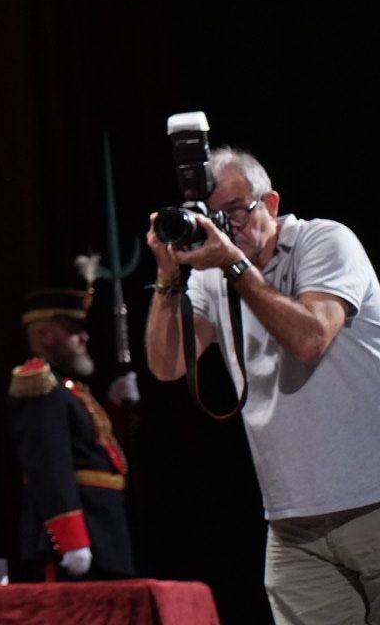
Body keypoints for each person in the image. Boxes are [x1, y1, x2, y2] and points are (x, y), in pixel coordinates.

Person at [146, 147, 380, 624]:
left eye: (235, 211)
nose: (226, 227)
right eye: (214, 216)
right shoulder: (214, 279)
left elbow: (310, 337)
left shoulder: (325, 242)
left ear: (270, 204)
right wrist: (168, 275)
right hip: (291, 523)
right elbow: (167, 365)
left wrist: (234, 266)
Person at [8, 287, 134, 581]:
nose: (84, 338)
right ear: (44, 335)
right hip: (82, 535)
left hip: (104, 529)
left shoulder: (67, 389)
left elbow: (93, 450)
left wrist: (117, 407)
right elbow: (49, 467)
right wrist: (71, 537)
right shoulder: (39, 386)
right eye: (73, 330)